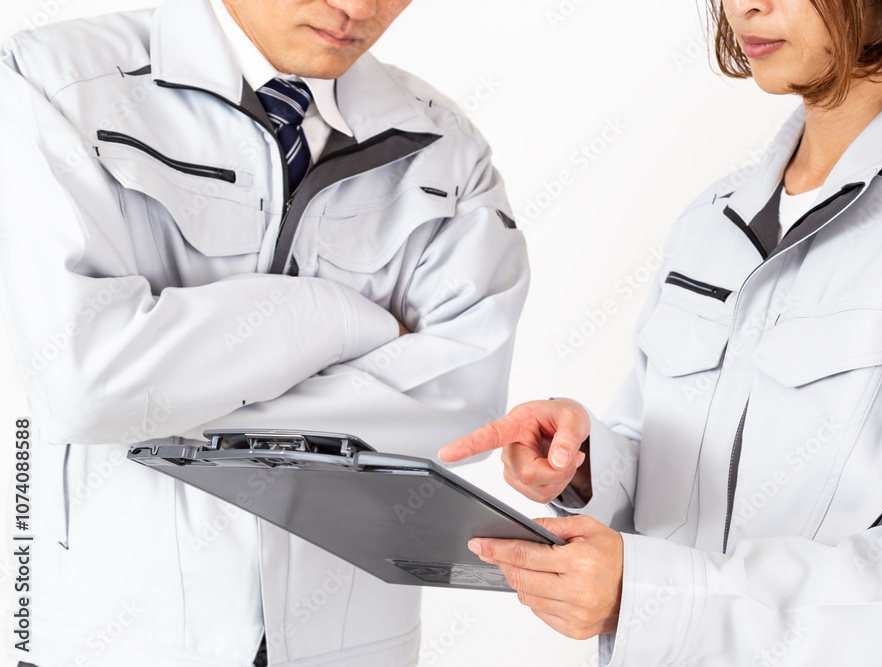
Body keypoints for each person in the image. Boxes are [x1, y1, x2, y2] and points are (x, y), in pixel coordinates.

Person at [440, 0, 882, 664]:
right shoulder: (712, 218)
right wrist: (586, 464)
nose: (744, 5)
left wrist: (653, 595)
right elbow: (666, 463)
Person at [0, 0, 528, 664]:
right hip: (114, 639)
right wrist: (343, 319)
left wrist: (165, 398)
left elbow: (459, 409)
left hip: (349, 647)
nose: (358, 8)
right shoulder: (50, 82)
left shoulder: (447, 147)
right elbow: (86, 383)